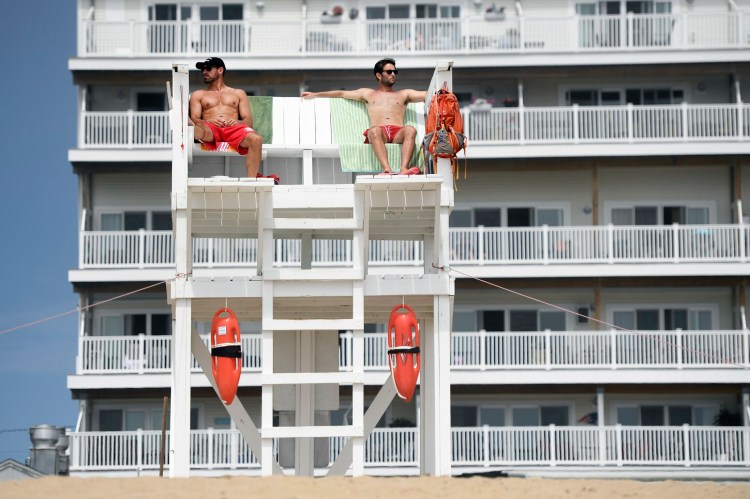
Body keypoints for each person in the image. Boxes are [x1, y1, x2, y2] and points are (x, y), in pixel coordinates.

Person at [301, 58, 426, 175]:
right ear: (379, 75)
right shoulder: (368, 93)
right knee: (374, 130)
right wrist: (315, 94)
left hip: (398, 132)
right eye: (389, 72)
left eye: (395, 71)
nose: (393, 74)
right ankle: (387, 170)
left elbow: (427, 94)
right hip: (379, 133)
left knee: (410, 129)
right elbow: (342, 93)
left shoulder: (404, 94)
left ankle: (404, 168)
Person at [189, 57, 262, 178]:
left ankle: (251, 182)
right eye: (202, 69)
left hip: (234, 130)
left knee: (256, 139)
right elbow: (195, 119)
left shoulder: (238, 93)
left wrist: (238, 122)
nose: (204, 72)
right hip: (210, 129)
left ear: (220, 70)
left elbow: (248, 121)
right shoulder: (198, 94)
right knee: (194, 130)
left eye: (208, 68)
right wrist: (208, 120)